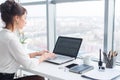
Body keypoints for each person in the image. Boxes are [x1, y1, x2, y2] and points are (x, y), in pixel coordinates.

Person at [0, 0, 55, 80]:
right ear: (17, 18)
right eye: (24, 18)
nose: (26, 22)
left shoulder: (3, 34)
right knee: (39, 79)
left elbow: (19, 56)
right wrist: (43, 57)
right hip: (5, 78)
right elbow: (29, 64)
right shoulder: (11, 39)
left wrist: (37, 53)